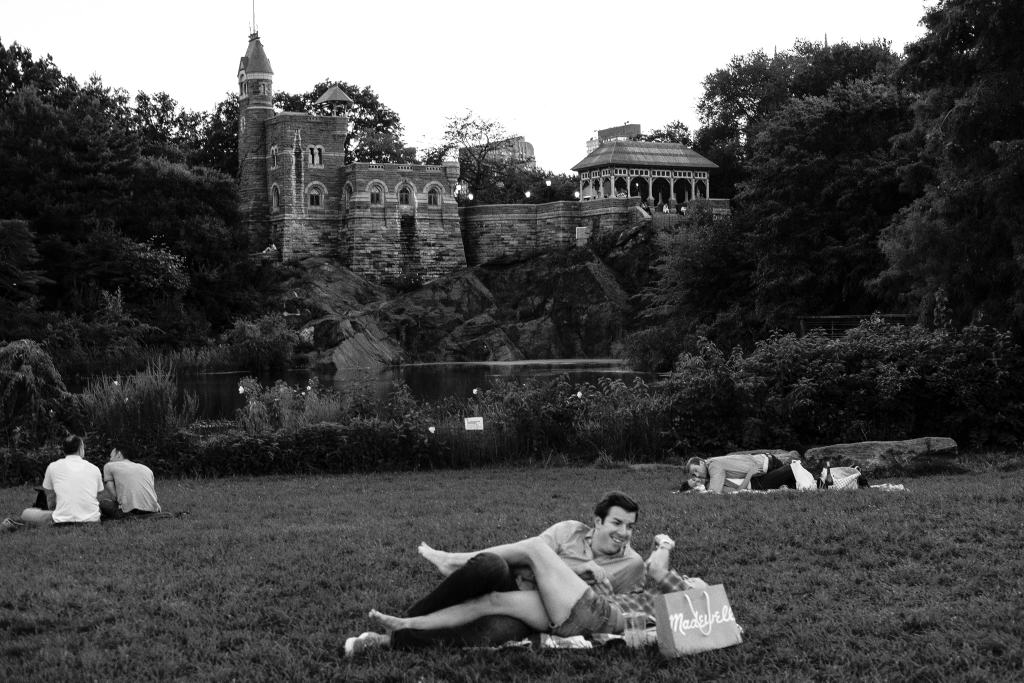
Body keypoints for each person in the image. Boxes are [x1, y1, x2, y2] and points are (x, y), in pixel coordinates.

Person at [345, 491, 646, 655]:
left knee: (491, 631)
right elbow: (521, 558)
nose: (624, 533)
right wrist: (580, 567)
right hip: (517, 587)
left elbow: (601, 606)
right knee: (491, 564)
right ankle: (414, 613)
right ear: (597, 521)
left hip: (536, 616)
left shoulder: (629, 564)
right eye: (617, 523)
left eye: (630, 527)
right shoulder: (568, 530)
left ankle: (392, 639)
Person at [360, 532, 698, 653]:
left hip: (597, 616)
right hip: (575, 620)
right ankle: (409, 625)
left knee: (535, 548)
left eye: (696, 583)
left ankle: (453, 560)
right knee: (488, 602)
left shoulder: (687, 598)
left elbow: (657, 569)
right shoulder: (653, 598)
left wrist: (667, 543)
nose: (694, 580)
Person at [20, 435, 104, 527]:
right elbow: (97, 494)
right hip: (92, 520)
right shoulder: (94, 469)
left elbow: (50, 498)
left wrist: (56, 510)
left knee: (26, 513)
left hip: (61, 520)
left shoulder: (53, 467)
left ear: (64, 450)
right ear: (80, 449)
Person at [685, 453, 796, 493]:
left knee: (798, 478)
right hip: (761, 473)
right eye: (694, 475)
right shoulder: (712, 465)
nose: (698, 475)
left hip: (769, 465)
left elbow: (714, 492)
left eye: (696, 470)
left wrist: (698, 490)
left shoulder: (713, 466)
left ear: (701, 462)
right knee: (798, 484)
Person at [99, 448, 162, 519]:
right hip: (153, 510)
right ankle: (149, 515)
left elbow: (114, 496)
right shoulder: (146, 469)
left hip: (129, 511)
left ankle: (130, 515)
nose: (110, 459)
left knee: (103, 503)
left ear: (118, 454)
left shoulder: (109, 466)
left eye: (111, 456)